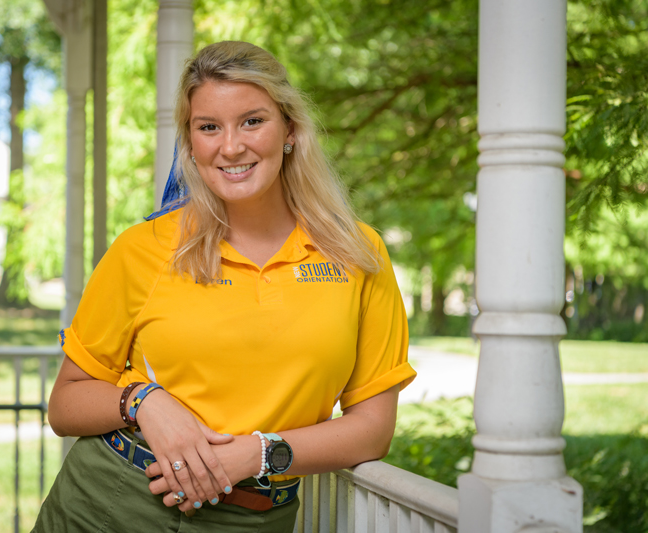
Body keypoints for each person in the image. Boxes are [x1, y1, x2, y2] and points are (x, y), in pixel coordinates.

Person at [32, 41, 416, 533]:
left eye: (252, 121)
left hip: (254, 519)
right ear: (190, 142)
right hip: (109, 501)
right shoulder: (142, 248)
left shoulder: (357, 253)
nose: (230, 146)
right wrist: (144, 400)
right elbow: (65, 404)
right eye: (208, 127)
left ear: (291, 130)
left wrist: (257, 454)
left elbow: (373, 430)